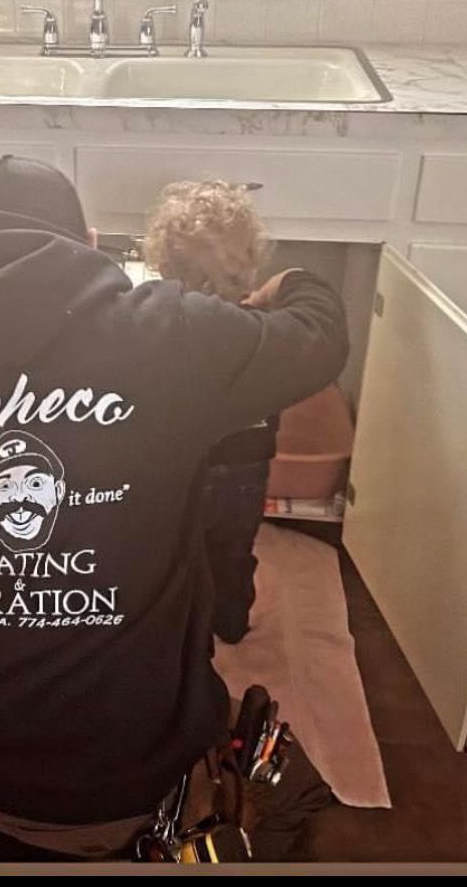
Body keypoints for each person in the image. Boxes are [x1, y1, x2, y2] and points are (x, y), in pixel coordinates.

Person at [0, 155, 348, 861]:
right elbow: (319, 337)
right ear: (89, 243)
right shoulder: (174, 336)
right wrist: (289, 283)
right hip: (126, 774)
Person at [144, 179, 277, 645]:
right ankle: (230, 621)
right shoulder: (265, 329)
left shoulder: (158, 328)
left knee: (174, 553)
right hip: (246, 469)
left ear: (165, 266)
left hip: (179, 469)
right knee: (234, 552)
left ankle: (181, 630)